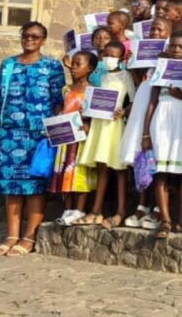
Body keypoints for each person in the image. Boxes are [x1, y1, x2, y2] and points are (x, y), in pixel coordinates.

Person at [0, 21, 65, 257]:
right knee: (11, 185)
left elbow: (59, 102)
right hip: (9, 132)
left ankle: (29, 236)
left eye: (35, 36)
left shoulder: (51, 66)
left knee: (34, 186)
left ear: (43, 40)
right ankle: (11, 235)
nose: (29, 39)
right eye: (26, 35)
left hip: (39, 134)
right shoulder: (8, 65)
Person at [142, 30, 182, 238]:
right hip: (162, 119)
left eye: (181, 47)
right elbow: (152, 101)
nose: (176, 50)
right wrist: (145, 133)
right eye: (173, 46)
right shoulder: (161, 69)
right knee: (161, 170)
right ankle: (166, 220)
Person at [121, 17, 173, 229]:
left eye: (159, 29)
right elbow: (139, 80)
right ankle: (142, 205)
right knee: (142, 155)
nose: (155, 33)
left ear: (169, 32)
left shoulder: (172, 52)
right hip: (143, 100)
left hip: (160, 106)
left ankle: (158, 209)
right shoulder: (145, 51)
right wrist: (133, 63)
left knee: (159, 156)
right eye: (152, 29)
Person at [78, 42, 136, 229]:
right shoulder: (100, 76)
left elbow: (134, 100)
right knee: (102, 166)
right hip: (100, 124)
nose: (110, 58)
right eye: (107, 54)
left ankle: (120, 211)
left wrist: (124, 111)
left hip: (115, 125)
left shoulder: (125, 76)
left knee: (119, 169)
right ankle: (96, 210)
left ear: (121, 57)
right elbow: (92, 96)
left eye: (114, 55)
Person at [50, 50, 98, 226]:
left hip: (82, 138)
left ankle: (79, 209)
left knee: (80, 173)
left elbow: (94, 115)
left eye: (79, 65)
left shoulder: (93, 90)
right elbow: (63, 108)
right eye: (73, 64)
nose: (73, 68)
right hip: (65, 138)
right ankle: (68, 208)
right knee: (65, 172)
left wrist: (86, 120)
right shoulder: (67, 89)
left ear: (90, 68)